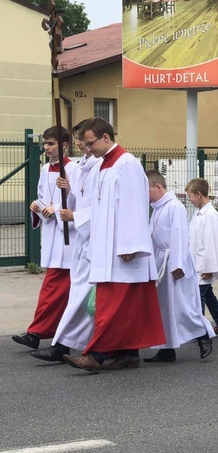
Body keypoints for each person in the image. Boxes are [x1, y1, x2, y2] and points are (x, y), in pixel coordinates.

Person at [62, 117, 165, 373]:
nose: (87, 149)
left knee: (110, 306)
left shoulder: (126, 163)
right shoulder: (102, 166)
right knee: (124, 308)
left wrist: (130, 245)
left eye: (90, 143)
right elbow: (98, 206)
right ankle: (127, 353)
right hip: (106, 249)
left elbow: (134, 206)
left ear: (105, 137)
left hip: (122, 252)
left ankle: (95, 355)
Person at [32, 123, 101, 362]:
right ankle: (62, 343)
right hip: (68, 234)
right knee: (78, 297)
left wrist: (68, 209)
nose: (81, 145)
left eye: (85, 141)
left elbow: (92, 207)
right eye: (81, 141)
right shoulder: (83, 166)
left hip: (77, 237)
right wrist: (41, 208)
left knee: (79, 296)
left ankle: (60, 342)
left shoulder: (92, 168)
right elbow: (77, 199)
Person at [13, 127, 79, 351]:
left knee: (55, 289)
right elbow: (43, 197)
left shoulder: (73, 168)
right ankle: (47, 333)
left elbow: (79, 200)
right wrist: (38, 207)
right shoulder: (44, 168)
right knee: (55, 289)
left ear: (64, 146)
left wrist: (58, 206)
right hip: (52, 235)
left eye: (51, 143)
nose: (46, 148)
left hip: (68, 238)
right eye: (45, 144)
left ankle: (38, 332)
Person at [144, 171, 214, 363]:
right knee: (164, 307)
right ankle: (166, 348)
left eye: (147, 190)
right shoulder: (157, 208)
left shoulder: (175, 206)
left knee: (183, 305)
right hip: (162, 263)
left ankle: (203, 336)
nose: (145, 195)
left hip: (175, 264)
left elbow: (180, 236)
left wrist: (178, 264)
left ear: (158, 187)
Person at [186, 178, 218, 335]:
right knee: (207, 294)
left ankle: (200, 331)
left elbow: (210, 242)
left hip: (203, 266)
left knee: (198, 298)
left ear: (199, 194)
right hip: (198, 263)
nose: (189, 199)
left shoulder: (209, 215)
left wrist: (209, 267)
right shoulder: (200, 214)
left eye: (190, 196)